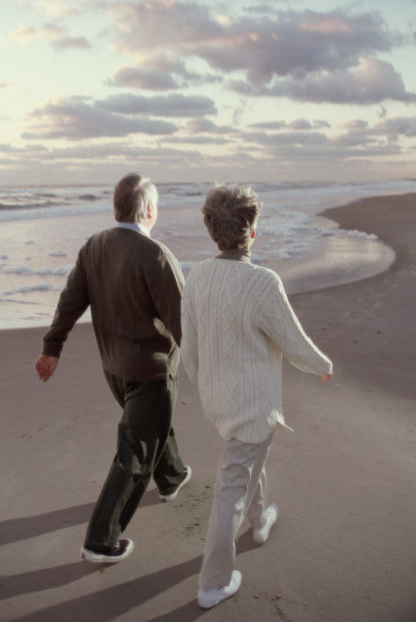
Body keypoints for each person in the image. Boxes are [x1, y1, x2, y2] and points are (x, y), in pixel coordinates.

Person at [180, 184, 333, 609]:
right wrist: (323, 366)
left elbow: (188, 347)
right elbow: (294, 341)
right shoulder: (263, 281)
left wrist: (207, 387)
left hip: (220, 400)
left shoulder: (196, 277)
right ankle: (214, 583)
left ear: (212, 229)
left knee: (251, 456)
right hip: (252, 404)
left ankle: (260, 519)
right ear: (251, 231)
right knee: (230, 486)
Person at [34, 172, 191, 564]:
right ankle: (100, 542)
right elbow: (184, 322)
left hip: (114, 369)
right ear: (150, 210)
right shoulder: (155, 255)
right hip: (151, 371)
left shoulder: (93, 246)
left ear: (116, 207)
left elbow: (70, 300)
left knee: (151, 426)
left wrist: (52, 347)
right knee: (135, 452)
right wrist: (211, 367)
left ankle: (171, 476)